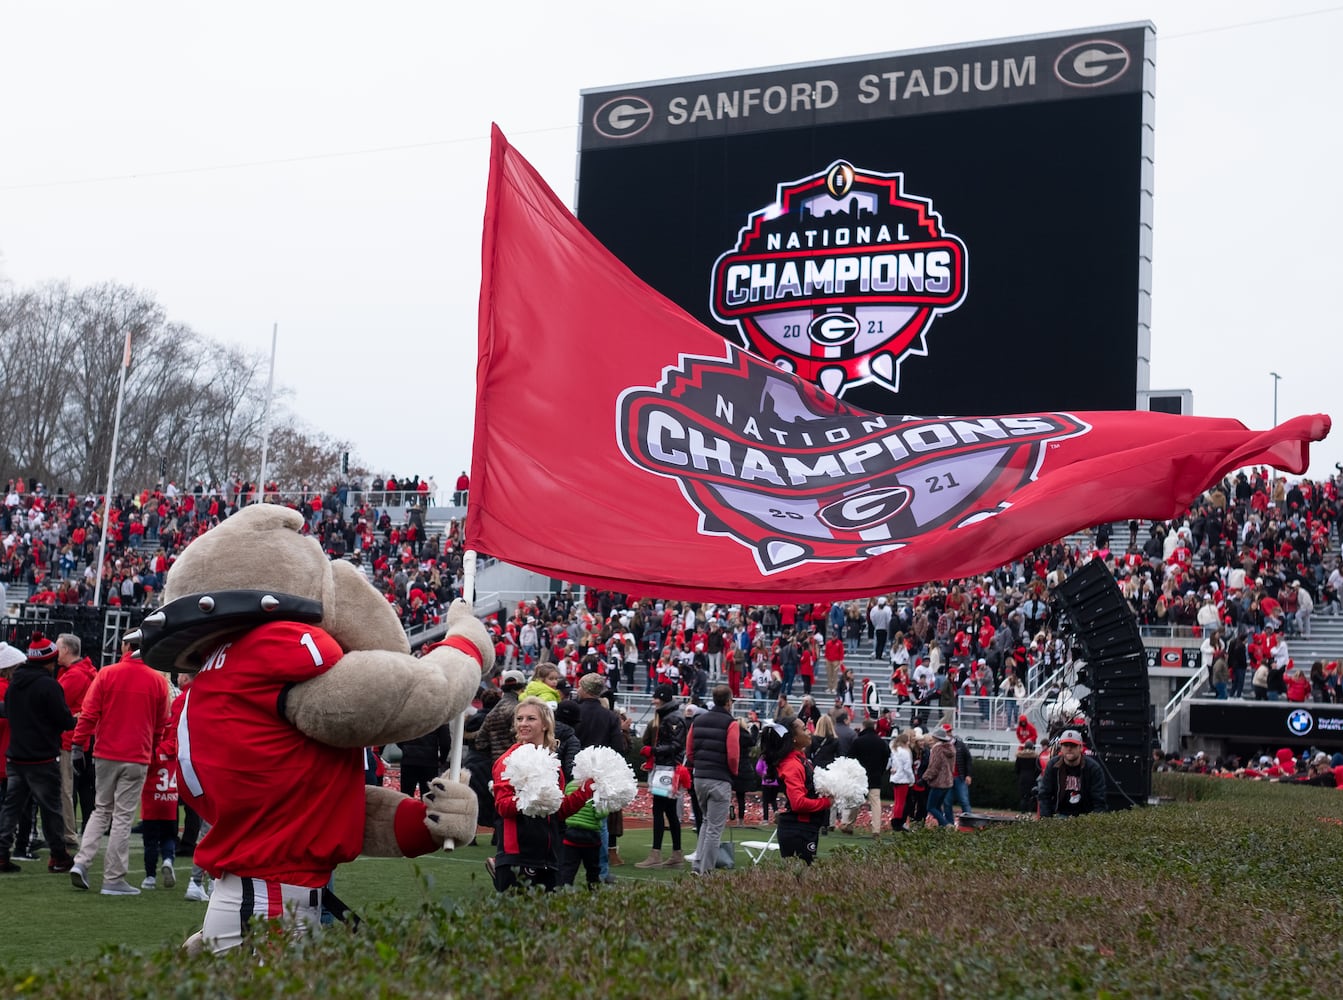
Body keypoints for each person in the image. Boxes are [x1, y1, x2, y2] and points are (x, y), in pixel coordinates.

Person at [69, 637, 172, 895]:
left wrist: (77, 746)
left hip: (106, 753)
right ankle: (113, 878)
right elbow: (162, 724)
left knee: (101, 810)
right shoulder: (157, 681)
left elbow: (89, 713)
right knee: (123, 817)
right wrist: (152, 748)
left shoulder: (107, 674)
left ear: (125, 647)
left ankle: (82, 862)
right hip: (137, 755)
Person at [490, 697, 595, 892]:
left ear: (545, 724)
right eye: (519, 719)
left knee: (545, 920)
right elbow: (503, 806)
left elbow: (558, 811)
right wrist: (530, 797)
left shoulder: (553, 763)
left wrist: (587, 790)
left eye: (530, 719)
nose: (523, 724)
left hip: (549, 856)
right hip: (517, 854)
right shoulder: (508, 760)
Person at [0, 635, 77, 874]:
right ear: (49, 661)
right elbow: (63, 720)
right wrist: (72, 719)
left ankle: (2, 853)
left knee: (11, 808)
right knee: (50, 808)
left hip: (16, 756)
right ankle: (58, 855)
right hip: (41, 757)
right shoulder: (49, 686)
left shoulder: (15, 685)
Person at [685, 684, 741, 876]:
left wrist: (699, 764)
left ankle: (698, 865)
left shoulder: (698, 720)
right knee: (715, 829)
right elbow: (733, 755)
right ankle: (706, 871)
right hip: (719, 778)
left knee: (707, 823)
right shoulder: (731, 723)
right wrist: (733, 772)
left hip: (700, 777)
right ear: (728, 702)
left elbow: (690, 750)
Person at [760, 717, 832, 865]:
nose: (809, 732)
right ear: (793, 738)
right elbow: (798, 803)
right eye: (804, 729)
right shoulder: (793, 765)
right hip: (799, 830)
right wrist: (826, 802)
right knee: (799, 881)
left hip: (805, 828)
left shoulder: (801, 759)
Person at [635, 684, 687, 869]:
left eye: (656, 698)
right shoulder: (670, 716)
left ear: (663, 698)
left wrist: (653, 751)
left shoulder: (672, 718)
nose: (653, 701)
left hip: (668, 769)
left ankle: (656, 854)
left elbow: (676, 745)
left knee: (659, 810)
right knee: (670, 812)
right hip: (666, 767)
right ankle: (676, 853)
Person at [55, 634, 97, 857]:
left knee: (65, 788)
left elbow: (56, 703)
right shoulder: (80, 673)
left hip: (68, 738)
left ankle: (68, 833)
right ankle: (68, 832)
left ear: (67, 650)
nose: (55, 650)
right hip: (76, 737)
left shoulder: (75, 676)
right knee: (72, 788)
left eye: (59, 647)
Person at [1037, 730, 1107, 818]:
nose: (1069, 749)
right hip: (1059, 815)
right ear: (1061, 748)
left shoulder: (1093, 768)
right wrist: (1046, 821)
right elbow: (1044, 795)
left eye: (1073, 745)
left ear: (1081, 747)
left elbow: (1099, 800)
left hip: (1085, 817)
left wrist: (1094, 822)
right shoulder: (1053, 766)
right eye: (1065, 745)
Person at [852, 717, 889, 837]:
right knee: (876, 802)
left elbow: (850, 758)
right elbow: (886, 759)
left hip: (860, 776)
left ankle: (847, 823)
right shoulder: (881, 742)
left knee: (856, 800)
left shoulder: (858, 741)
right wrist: (880, 771)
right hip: (875, 776)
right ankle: (876, 829)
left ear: (863, 727)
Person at [923, 728, 956, 827]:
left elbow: (934, 766)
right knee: (937, 806)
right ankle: (943, 826)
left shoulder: (937, 749)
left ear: (936, 738)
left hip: (938, 782)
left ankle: (946, 825)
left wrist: (925, 778)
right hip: (948, 781)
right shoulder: (951, 748)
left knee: (931, 807)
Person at [887, 729, 915, 832]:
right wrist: (912, 779)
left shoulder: (895, 750)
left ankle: (896, 820)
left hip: (895, 778)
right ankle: (897, 822)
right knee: (901, 802)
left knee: (897, 801)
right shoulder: (905, 752)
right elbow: (907, 768)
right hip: (903, 779)